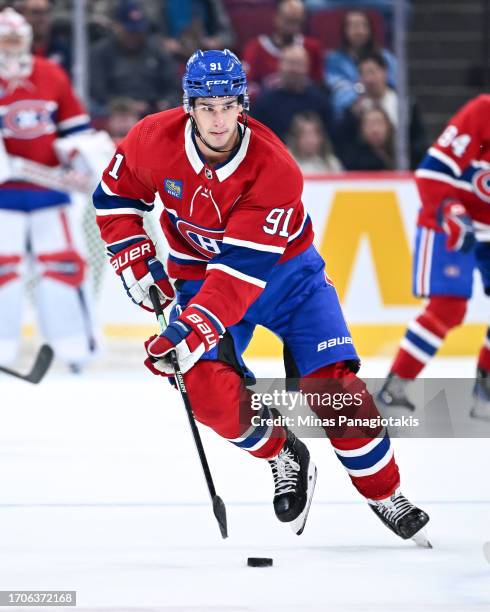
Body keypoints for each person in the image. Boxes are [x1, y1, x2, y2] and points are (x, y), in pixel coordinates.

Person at [93, 49, 429, 542]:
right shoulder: (151, 137)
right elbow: (115, 199)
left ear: (242, 105)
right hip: (201, 279)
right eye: (206, 106)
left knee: (335, 392)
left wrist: (188, 331)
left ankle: (384, 492)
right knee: (206, 395)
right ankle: (282, 452)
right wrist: (133, 255)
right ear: (188, 105)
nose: (216, 118)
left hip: (289, 282)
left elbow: (238, 276)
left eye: (226, 105)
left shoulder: (274, 168)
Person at [0, 7, 102, 369]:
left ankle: (76, 348)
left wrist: (77, 158)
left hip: (50, 194)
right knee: (3, 271)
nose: (11, 48)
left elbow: (77, 131)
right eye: (5, 40)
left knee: (64, 267)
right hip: (2, 198)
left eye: (16, 40)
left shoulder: (50, 74)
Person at [377, 95, 490, 420]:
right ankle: (394, 388)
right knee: (448, 307)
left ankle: (485, 391)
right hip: (451, 217)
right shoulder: (482, 112)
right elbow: (431, 173)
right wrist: (451, 211)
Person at [89, 1, 179, 119]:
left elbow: (173, 86)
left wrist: (166, 102)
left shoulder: (156, 50)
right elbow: (98, 93)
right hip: (116, 113)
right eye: (129, 31)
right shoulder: (101, 52)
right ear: (116, 26)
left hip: (153, 111)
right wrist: (127, 105)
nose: (134, 36)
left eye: (138, 31)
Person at [337, 51, 426, 168]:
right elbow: (346, 148)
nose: (369, 79)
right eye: (364, 74)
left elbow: (418, 139)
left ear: (385, 72)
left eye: (372, 72)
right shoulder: (353, 111)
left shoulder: (406, 104)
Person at [252, 45, 333, 143]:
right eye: (290, 63)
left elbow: (330, 139)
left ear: (307, 68)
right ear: (280, 65)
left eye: (298, 64)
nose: (293, 69)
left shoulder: (320, 102)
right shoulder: (264, 103)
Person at [242, 0, 323, 99]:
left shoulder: (312, 47)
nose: (292, 27)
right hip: (267, 107)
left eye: (297, 22)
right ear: (277, 18)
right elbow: (245, 86)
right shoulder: (255, 48)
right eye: (288, 21)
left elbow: (319, 85)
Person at [324, 9, 396, 120]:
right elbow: (337, 89)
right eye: (353, 26)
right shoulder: (334, 59)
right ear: (344, 30)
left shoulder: (385, 57)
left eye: (363, 25)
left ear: (370, 29)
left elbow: (393, 84)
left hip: (384, 107)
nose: (358, 31)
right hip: (349, 113)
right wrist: (361, 92)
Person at [340, 106, 395, 170]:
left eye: (379, 123)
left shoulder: (401, 153)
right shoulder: (354, 160)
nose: (375, 130)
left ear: (388, 126)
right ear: (361, 129)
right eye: (369, 124)